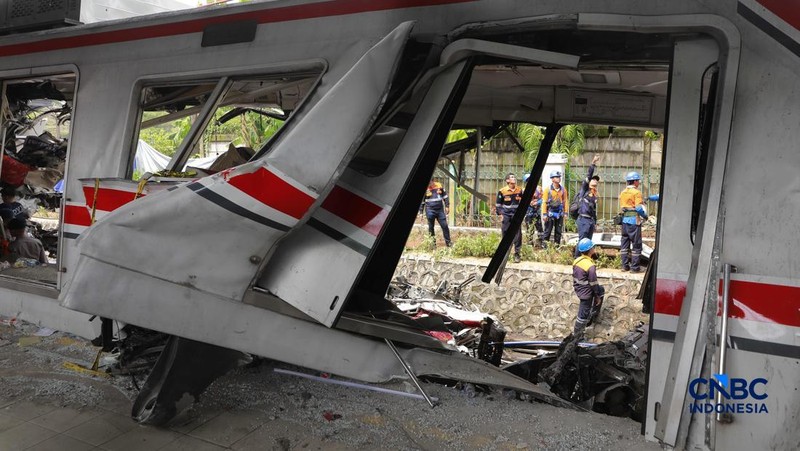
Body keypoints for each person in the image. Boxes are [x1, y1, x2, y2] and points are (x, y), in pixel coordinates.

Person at [572, 238, 604, 337]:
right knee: (582, 314)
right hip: (586, 292)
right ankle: (577, 336)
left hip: (579, 288)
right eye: (593, 248)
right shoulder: (590, 266)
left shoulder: (577, 261)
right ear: (590, 250)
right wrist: (597, 296)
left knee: (601, 289)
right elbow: (593, 283)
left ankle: (592, 314)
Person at [618, 171, 648, 272]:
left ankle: (624, 266)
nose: (638, 182)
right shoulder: (636, 192)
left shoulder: (623, 192)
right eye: (638, 180)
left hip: (624, 222)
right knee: (636, 244)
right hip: (634, 222)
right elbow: (639, 208)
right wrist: (645, 216)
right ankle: (635, 268)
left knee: (624, 244)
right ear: (635, 181)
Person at [573, 155, 601, 256]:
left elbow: (593, 210)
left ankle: (585, 259)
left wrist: (595, 222)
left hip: (590, 221)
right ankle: (577, 259)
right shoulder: (584, 190)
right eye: (593, 179)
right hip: (583, 220)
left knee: (588, 243)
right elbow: (589, 175)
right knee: (582, 240)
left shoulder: (594, 195)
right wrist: (593, 163)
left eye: (596, 180)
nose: (595, 181)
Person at [495, 172, 523, 263]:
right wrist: (501, 215)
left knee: (518, 235)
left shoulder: (519, 190)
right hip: (506, 215)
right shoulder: (502, 191)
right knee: (505, 234)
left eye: (514, 177)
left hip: (516, 215)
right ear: (507, 180)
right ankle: (504, 254)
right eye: (511, 177)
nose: (514, 178)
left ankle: (517, 254)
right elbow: (498, 205)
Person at [420, 178, 452, 247]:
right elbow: (422, 202)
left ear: (432, 181)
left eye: (429, 183)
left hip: (440, 211)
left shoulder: (439, 186)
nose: (429, 185)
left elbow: (445, 196)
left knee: (445, 226)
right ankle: (433, 245)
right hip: (430, 211)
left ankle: (449, 244)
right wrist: (421, 213)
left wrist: (447, 206)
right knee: (431, 228)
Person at [541, 170, 569, 248]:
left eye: (559, 177)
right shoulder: (548, 190)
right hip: (550, 213)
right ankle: (545, 247)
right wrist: (544, 214)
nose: (559, 178)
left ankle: (556, 247)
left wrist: (566, 212)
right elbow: (544, 202)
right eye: (556, 177)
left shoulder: (563, 190)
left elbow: (565, 201)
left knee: (558, 231)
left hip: (559, 213)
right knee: (547, 231)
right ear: (552, 179)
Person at [522, 174, 544, 247]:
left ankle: (541, 242)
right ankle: (529, 243)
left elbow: (543, 199)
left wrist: (537, 202)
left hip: (537, 212)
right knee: (529, 228)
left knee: (539, 228)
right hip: (528, 213)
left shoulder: (539, 189)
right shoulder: (523, 190)